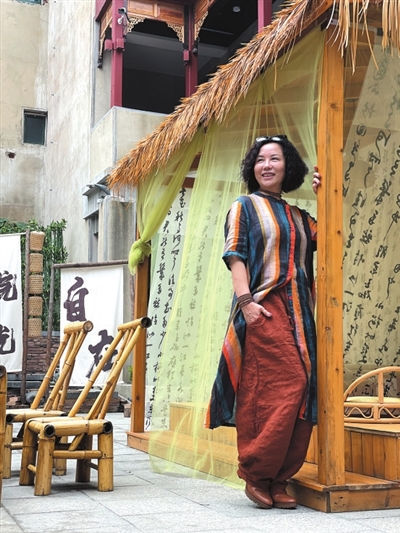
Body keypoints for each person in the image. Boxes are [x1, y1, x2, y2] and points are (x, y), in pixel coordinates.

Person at [205, 135, 321, 510]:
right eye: (260, 160)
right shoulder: (244, 206)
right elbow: (235, 256)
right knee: (272, 387)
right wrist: (246, 304)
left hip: (300, 315)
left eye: (274, 159)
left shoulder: (300, 216)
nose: (266, 165)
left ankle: (280, 478)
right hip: (264, 308)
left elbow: (331, 237)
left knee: (305, 390)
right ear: (252, 168)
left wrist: (324, 196)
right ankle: (257, 474)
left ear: (289, 167)